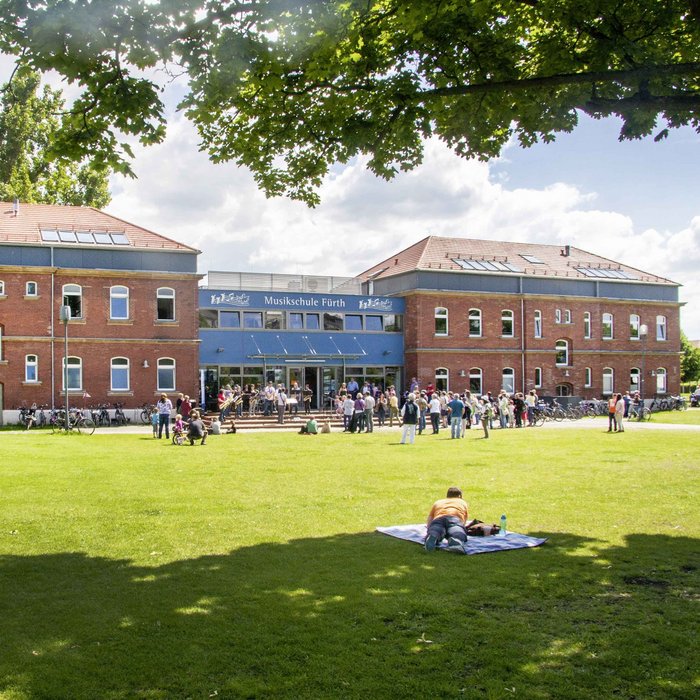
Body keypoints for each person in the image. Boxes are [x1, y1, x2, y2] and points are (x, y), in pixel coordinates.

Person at [425, 487, 469, 552]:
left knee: (436, 529)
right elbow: (464, 518)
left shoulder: (438, 502)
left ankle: (433, 536)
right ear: (460, 496)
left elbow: (430, 518)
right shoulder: (462, 502)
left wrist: (429, 528)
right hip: (454, 518)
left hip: (439, 518)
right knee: (456, 529)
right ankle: (457, 540)